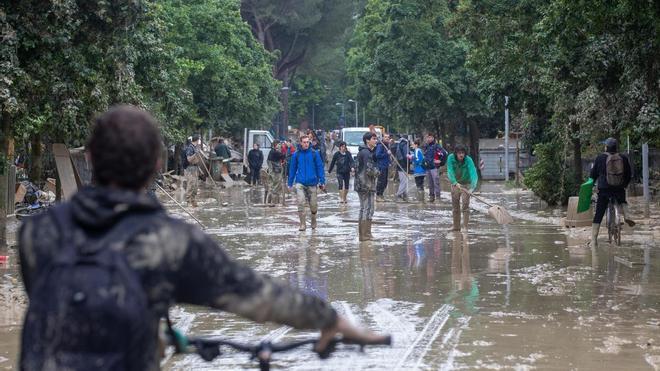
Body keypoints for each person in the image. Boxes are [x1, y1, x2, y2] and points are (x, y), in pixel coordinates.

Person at [17, 106, 381, 371]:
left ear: (91, 158)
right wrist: (329, 318)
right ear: (158, 164)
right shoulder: (169, 242)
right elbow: (253, 293)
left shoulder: (37, 233)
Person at [588, 137, 634, 247]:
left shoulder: (600, 158)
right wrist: (624, 185)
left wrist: (591, 185)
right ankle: (626, 215)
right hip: (618, 189)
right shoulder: (623, 158)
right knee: (622, 200)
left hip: (604, 190)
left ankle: (594, 240)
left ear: (606, 147)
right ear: (616, 147)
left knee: (599, 213)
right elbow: (629, 175)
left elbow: (593, 175)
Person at [288, 135, 326, 231]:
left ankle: (313, 218)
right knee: (301, 202)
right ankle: (302, 224)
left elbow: (319, 167)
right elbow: (292, 169)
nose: (306, 144)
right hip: (300, 182)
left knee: (313, 205)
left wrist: (322, 181)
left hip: (312, 182)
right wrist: (290, 183)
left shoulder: (314, 154)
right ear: (300, 143)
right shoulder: (296, 155)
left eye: (307, 142)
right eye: (304, 142)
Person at [446, 144, 479, 231]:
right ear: (456, 153)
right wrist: (454, 182)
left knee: (465, 205)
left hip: (466, 184)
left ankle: (465, 227)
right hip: (456, 184)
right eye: (459, 153)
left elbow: (473, 174)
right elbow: (450, 171)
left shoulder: (468, 160)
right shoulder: (450, 158)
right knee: (455, 206)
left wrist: (472, 188)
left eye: (463, 153)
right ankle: (456, 226)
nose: (461, 155)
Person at [355, 132, 380, 241]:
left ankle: (365, 234)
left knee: (363, 209)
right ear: (367, 141)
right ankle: (365, 235)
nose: (375, 141)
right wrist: (378, 172)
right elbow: (370, 170)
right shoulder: (367, 153)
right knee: (368, 209)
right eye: (373, 139)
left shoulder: (361, 152)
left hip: (360, 184)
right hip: (367, 185)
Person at [423, 134, 448, 203]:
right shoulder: (426, 146)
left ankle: (438, 198)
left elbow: (445, 153)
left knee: (436, 183)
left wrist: (440, 161)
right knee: (430, 183)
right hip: (428, 168)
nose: (429, 139)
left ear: (433, 138)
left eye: (430, 137)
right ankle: (431, 197)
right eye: (428, 137)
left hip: (434, 167)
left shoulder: (436, 146)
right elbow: (425, 156)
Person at [184, 134, 201, 207]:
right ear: (197, 140)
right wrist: (195, 154)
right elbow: (189, 159)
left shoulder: (195, 148)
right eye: (199, 139)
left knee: (195, 186)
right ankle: (188, 203)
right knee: (191, 185)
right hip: (190, 169)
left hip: (195, 168)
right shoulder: (190, 148)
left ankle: (193, 202)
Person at [267, 140, 286, 205]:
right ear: (275, 145)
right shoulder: (274, 152)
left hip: (272, 171)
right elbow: (283, 155)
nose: (280, 146)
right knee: (276, 186)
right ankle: (273, 202)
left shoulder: (272, 151)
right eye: (279, 144)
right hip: (275, 172)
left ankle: (270, 201)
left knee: (272, 187)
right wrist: (283, 149)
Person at [374, 134, 392, 202]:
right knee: (381, 181)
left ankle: (381, 194)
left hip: (386, 165)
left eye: (388, 137)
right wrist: (386, 153)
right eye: (385, 137)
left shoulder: (387, 145)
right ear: (383, 138)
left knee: (385, 182)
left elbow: (388, 156)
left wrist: (390, 161)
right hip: (381, 166)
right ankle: (378, 195)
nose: (387, 138)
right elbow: (378, 155)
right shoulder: (380, 145)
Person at [393, 135, 410, 202]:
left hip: (399, 165)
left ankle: (404, 195)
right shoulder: (405, 145)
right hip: (404, 165)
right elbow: (406, 156)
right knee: (404, 181)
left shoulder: (399, 144)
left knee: (403, 180)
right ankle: (399, 195)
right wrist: (409, 162)